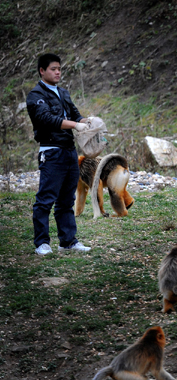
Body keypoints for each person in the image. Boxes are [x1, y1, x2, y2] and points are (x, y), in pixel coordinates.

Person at [26, 53, 92, 255]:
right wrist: (75, 125)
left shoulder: (63, 93)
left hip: (69, 151)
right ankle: (42, 243)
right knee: (45, 199)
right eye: (53, 69)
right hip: (51, 152)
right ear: (42, 71)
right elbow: (47, 119)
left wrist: (88, 123)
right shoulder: (36, 95)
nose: (57, 72)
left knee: (66, 200)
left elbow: (75, 114)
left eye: (59, 69)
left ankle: (68, 241)